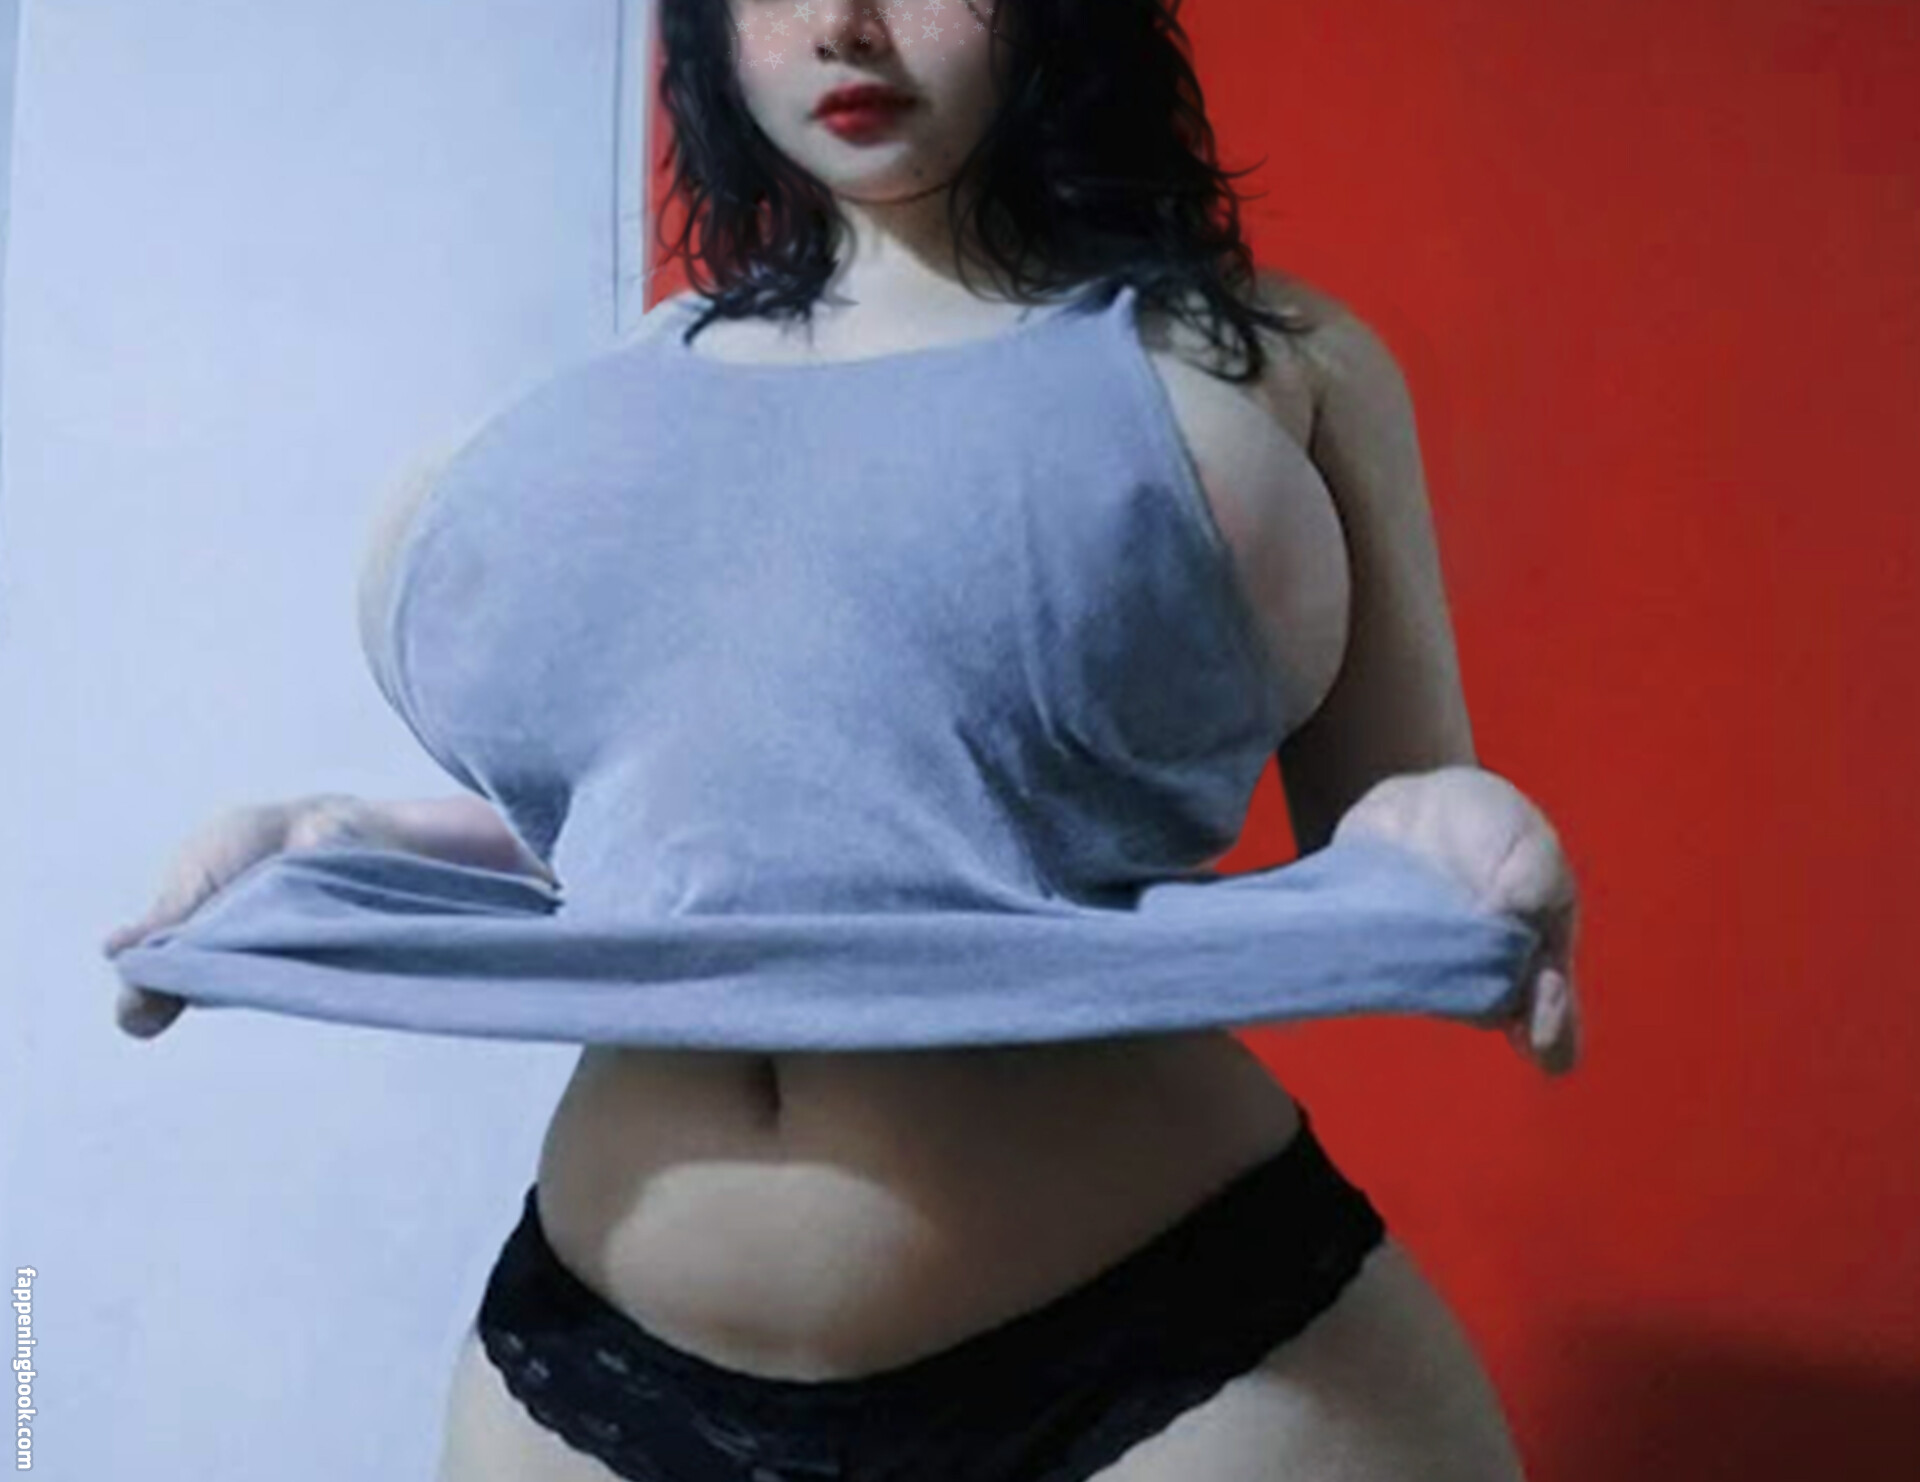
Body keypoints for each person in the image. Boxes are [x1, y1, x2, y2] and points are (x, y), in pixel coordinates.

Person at [106, 2, 1582, 1478]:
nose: (844, 26)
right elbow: (695, 836)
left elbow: (1388, 826)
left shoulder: (1269, 357)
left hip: (1175, 1355)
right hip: (598, 1367)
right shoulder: (637, 381)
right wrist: (338, 844)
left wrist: (1458, 834)